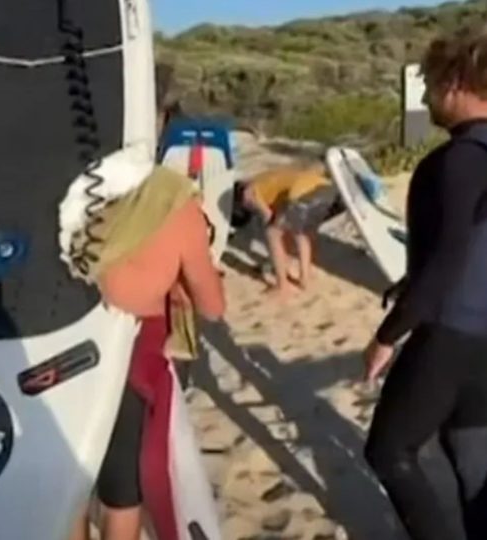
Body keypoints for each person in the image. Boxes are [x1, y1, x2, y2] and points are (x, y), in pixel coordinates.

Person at [63, 99, 225, 540]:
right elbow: (212, 305)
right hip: (132, 356)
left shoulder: (75, 189)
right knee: (121, 494)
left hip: (66, 347)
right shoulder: (174, 203)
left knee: (71, 489)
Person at [362, 25, 487, 540]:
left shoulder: (458, 159)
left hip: (450, 331)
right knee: (473, 455)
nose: (428, 96)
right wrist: (411, 282)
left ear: (456, 82)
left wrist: (387, 336)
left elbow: (450, 257)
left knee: (389, 452)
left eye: (433, 83)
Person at [239, 160, 337, 298]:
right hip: (326, 191)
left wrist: (266, 218)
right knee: (301, 234)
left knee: (272, 234)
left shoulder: (249, 193)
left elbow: (268, 217)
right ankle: (304, 279)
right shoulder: (267, 180)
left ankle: (282, 286)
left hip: (300, 193)